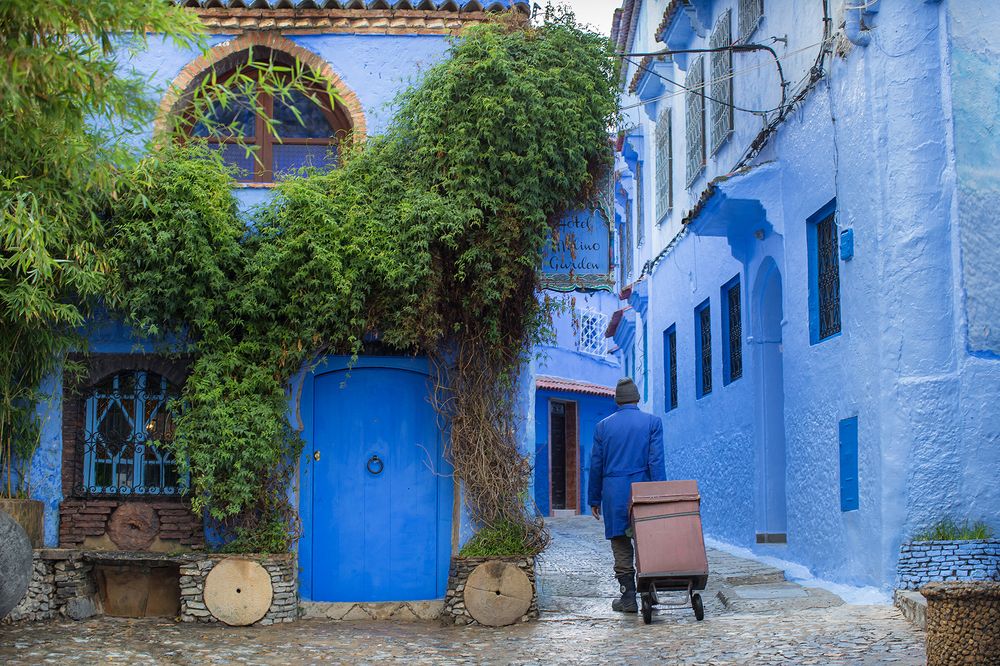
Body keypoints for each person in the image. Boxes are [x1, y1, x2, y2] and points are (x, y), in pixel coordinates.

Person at [588, 377, 666, 613]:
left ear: (617, 401)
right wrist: (660, 495)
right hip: (643, 492)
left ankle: (628, 598)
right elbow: (656, 462)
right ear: (637, 398)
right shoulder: (653, 423)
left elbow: (596, 465)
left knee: (621, 544)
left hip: (614, 494)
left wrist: (594, 499)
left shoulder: (603, 427)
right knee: (647, 542)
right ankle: (649, 595)